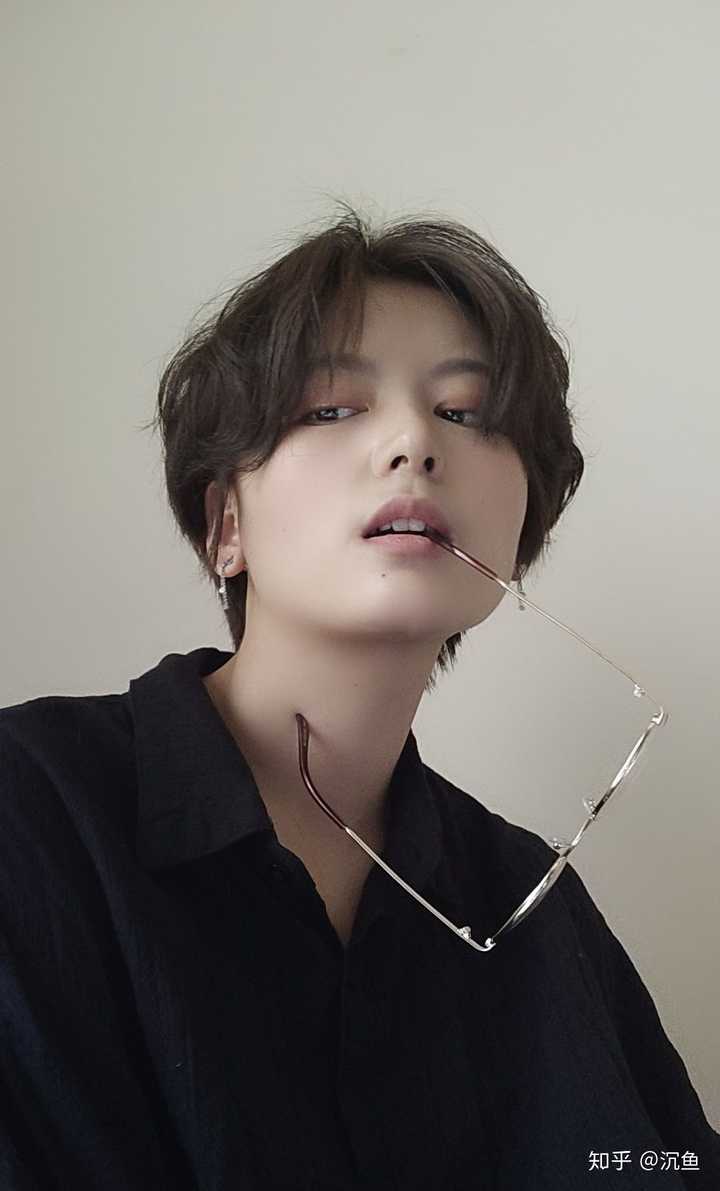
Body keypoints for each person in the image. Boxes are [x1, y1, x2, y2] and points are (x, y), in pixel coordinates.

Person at [1, 204, 718, 1189]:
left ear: (520, 531)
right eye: (332, 408)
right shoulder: (31, 811)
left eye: (466, 413)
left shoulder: (533, 903)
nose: (413, 441)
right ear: (225, 527)